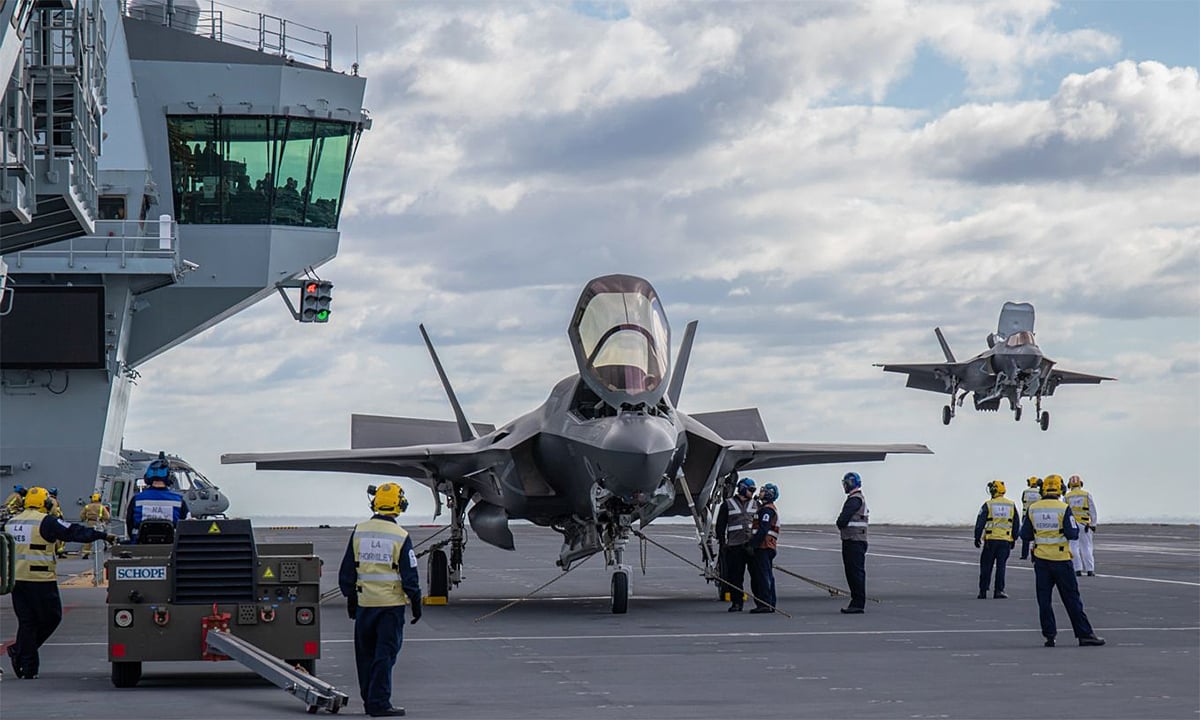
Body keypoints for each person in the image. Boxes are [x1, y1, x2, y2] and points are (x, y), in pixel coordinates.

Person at [5, 486, 116, 679]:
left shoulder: (11, 522)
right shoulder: (46, 522)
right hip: (40, 580)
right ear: (46, 503)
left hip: (16, 581)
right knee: (52, 618)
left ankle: (27, 666)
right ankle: (20, 652)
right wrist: (103, 535)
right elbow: (74, 532)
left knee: (27, 622)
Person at [339, 482, 422, 718]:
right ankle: (379, 703)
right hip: (390, 608)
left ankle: (370, 700)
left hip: (365, 607)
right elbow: (410, 577)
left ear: (375, 503)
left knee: (365, 656)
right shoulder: (401, 536)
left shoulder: (359, 531)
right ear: (400, 505)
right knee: (384, 656)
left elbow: (347, 574)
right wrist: (416, 604)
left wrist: (352, 600)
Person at [1020, 474, 1105, 647]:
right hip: (1061, 560)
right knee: (1072, 599)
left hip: (1042, 561)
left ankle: (1049, 636)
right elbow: (1072, 533)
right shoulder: (1063, 508)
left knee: (1044, 601)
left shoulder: (1033, 509)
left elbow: (1025, 534)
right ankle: (1084, 634)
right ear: (1060, 489)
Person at [714, 476, 758, 611]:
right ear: (743, 489)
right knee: (735, 577)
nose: (753, 493)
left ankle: (761, 602)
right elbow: (720, 526)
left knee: (756, 576)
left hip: (751, 546)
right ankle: (737, 602)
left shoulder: (756, 504)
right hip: (735, 546)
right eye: (751, 490)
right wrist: (723, 544)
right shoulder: (727, 504)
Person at [125, 455, 190, 542]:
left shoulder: (137, 499)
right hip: (171, 546)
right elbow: (186, 524)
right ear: (169, 477)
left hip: (140, 544)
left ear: (147, 478)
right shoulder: (178, 500)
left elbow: (129, 523)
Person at [974, 480, 1019, 599]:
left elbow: (980, 523)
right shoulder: (1011, 504)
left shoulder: (988, 505)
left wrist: (977, 537)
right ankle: (999, 590)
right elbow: (1016, 524)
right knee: (1001, 566)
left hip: (990, 540)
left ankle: (983, 591)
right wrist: (1014, 538)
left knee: (986, 566)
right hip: (1005, 541)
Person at [836, 471, 869, 614]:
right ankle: (857, 601)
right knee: (854, 572)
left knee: (854, 573)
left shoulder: (854, 500)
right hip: (856, 540)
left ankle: (857, 602)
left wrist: (840, 523)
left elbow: (842, 520)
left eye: (845, 483)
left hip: (853, 541)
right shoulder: (858, 498)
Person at [747, 483, 780, 614]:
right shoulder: (766, 508)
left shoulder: (767, 510)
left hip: (764, 546)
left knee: (763, 575)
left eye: (763, 491)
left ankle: (765, 603)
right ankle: (769, 602)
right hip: (767, 546)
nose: (760, 493)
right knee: (766, 574)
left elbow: (763, 529)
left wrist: (753, 545)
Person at [1064, 475, 1097, 576]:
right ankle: (1090, 569)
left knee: (1073, 547)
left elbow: (1064, 512)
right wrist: (1093, 524)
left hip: (1073, 524)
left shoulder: (1067, 496)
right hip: (1084, 524)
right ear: (1081, 484)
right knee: (1086, 547)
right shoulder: (1086, 495)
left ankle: (1077, 569)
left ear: (1069, 485)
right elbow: (1093, 510)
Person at [79, 492, 111, 559]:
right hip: (98, 523)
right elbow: (107, 516)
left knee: (88, 538)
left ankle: (86, 553)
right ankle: (99, 552)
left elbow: (82, 516)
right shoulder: (101, 507)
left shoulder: (87, 506)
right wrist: (104, 520)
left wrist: (85, 519)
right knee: (99, 537)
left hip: (89, 523)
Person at [1019, 476, 1042, 559]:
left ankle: (1024, 555)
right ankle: (1036, 554)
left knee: (1025, 536)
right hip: (1037, 515)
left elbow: (1023, 501)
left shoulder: (1025, 492)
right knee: (1037, 535)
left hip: (1026, 515)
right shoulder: (1040, 491)